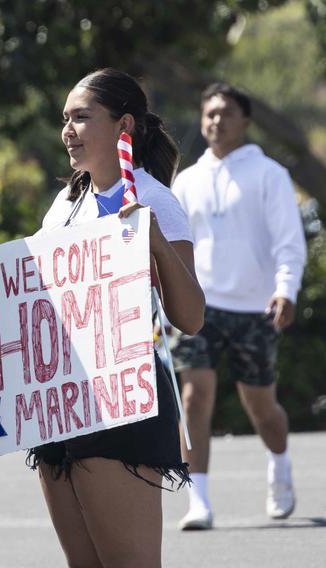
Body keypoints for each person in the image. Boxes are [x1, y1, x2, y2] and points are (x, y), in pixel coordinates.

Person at [35, 68, 205, 567]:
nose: (68, 129)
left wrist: (150, 238)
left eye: (82, 117)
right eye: (65, 118)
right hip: (58, 399)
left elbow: (190, 318)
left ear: (123, 126)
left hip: (122, 398)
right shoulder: (64, 205)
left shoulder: (155, 200)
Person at [171, 82, 307, 530]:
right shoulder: (187, 179)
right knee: (194, 397)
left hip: (255, 308)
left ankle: (280, 466)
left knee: (261, 407)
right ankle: (200, 500)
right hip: (200, 307)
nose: (216, 121)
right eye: (209, 113)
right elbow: (173, 247)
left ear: (245, 121)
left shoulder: (267, 174)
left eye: (226, 113)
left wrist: (285, 289)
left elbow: (290, 240)